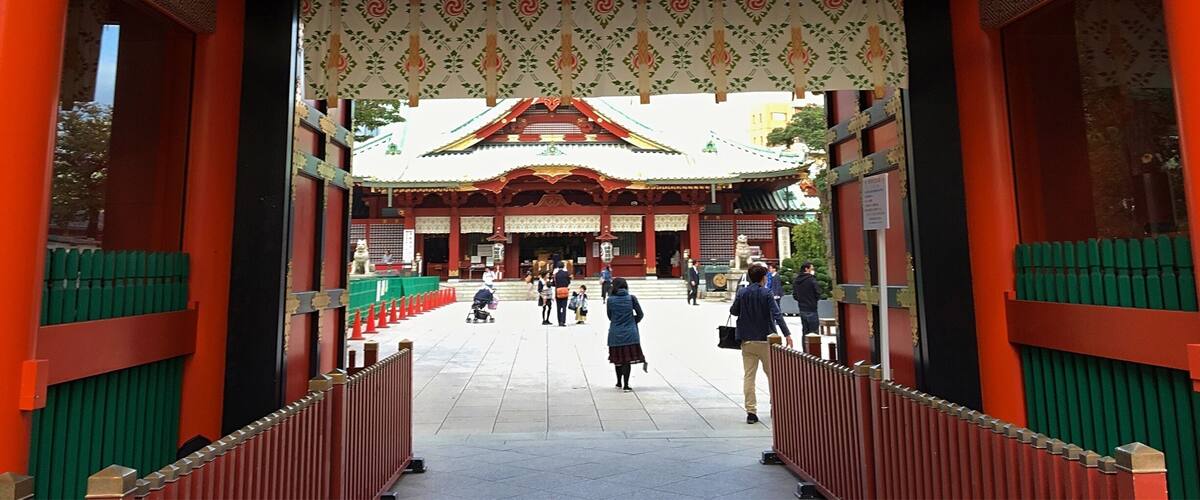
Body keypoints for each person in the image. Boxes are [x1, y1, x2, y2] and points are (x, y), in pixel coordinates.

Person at [729, 263, 793, 424]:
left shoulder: (742, 292)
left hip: (747, 340)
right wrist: (787, 334)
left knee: (749, 376)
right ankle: (775, 407)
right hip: (766, 339)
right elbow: (777, 314)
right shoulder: (766, 293)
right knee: (772, 375)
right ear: (763, 277)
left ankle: (751, 411)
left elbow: (733, 311)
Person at [606, 278, 646, 391]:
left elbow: (610, 316)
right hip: (630, 333)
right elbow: (640, 314)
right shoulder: (631, 298)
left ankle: (618, 382)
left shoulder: (610, 300)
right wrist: (633, 321)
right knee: (626, 360)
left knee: (617, 359)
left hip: (615, 333)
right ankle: (626, 385)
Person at [792, 261, 822, 337]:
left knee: (805, 331)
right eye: (811, 268)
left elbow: (795, 295)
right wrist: (814, 300)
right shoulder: (812, 279)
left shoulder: (796, 280)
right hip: (812, 308)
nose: (812, 270)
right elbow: (818, 292)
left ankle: (805, 348)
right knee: (814, 333)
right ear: (806, 269)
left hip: (802, 308)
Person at [552, 262, 572, 326]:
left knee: (558, 307)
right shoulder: (566, 273)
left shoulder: (555, 274)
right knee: (564, 307)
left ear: (558, 267)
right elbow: (569, 282)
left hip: (558, 291)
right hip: (565, 291)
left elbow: (554, 283)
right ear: (563, 266)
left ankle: (559, 321)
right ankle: (563, 321)